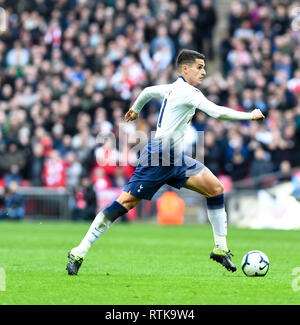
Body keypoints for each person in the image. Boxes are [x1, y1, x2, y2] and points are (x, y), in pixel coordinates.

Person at [66, 49, 264, 275]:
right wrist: (250, 116)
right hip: (158, 157)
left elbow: (148, 91)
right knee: (125, 203)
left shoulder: (172, 88)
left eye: (204, 67)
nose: (204, 72)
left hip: (176, 158)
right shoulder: (189, 92)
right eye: (199, 67)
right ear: (185, 69)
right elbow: (216, 113)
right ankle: (79, 250)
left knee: (215, 189)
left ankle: (220, 249)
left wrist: (135, 109)